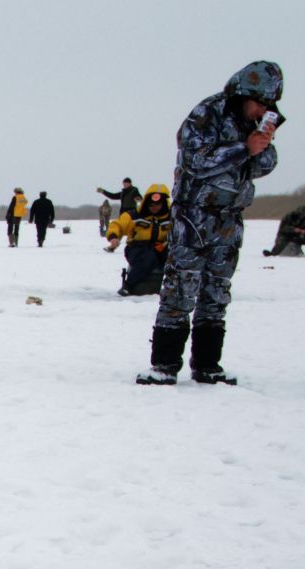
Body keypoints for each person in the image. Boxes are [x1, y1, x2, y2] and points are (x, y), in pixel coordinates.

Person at [141, 60, 283, 386]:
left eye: (268, 105)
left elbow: (263, 166)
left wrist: (261, 145)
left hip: (229, 220)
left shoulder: (254, 125)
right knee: (180, 291)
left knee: (216, 294)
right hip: (194, 216)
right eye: (260, 102)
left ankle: (207, 366)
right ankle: (163, 365)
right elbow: (196, 160)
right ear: (244, 93)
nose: (263, 109)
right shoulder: (207, 114)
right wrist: (243, 148)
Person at [118, 184, 173, 296]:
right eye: (151, 205)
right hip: (137, 248)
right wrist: (114, 237)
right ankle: (128, 286)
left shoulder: (173, 217)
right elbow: (118, 225)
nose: (154, 207)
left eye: (157, 204)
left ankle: (176, 289)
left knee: (176, 259)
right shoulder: (133, 215)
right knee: (148, 258)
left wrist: (165, 244)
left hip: (162, 247)